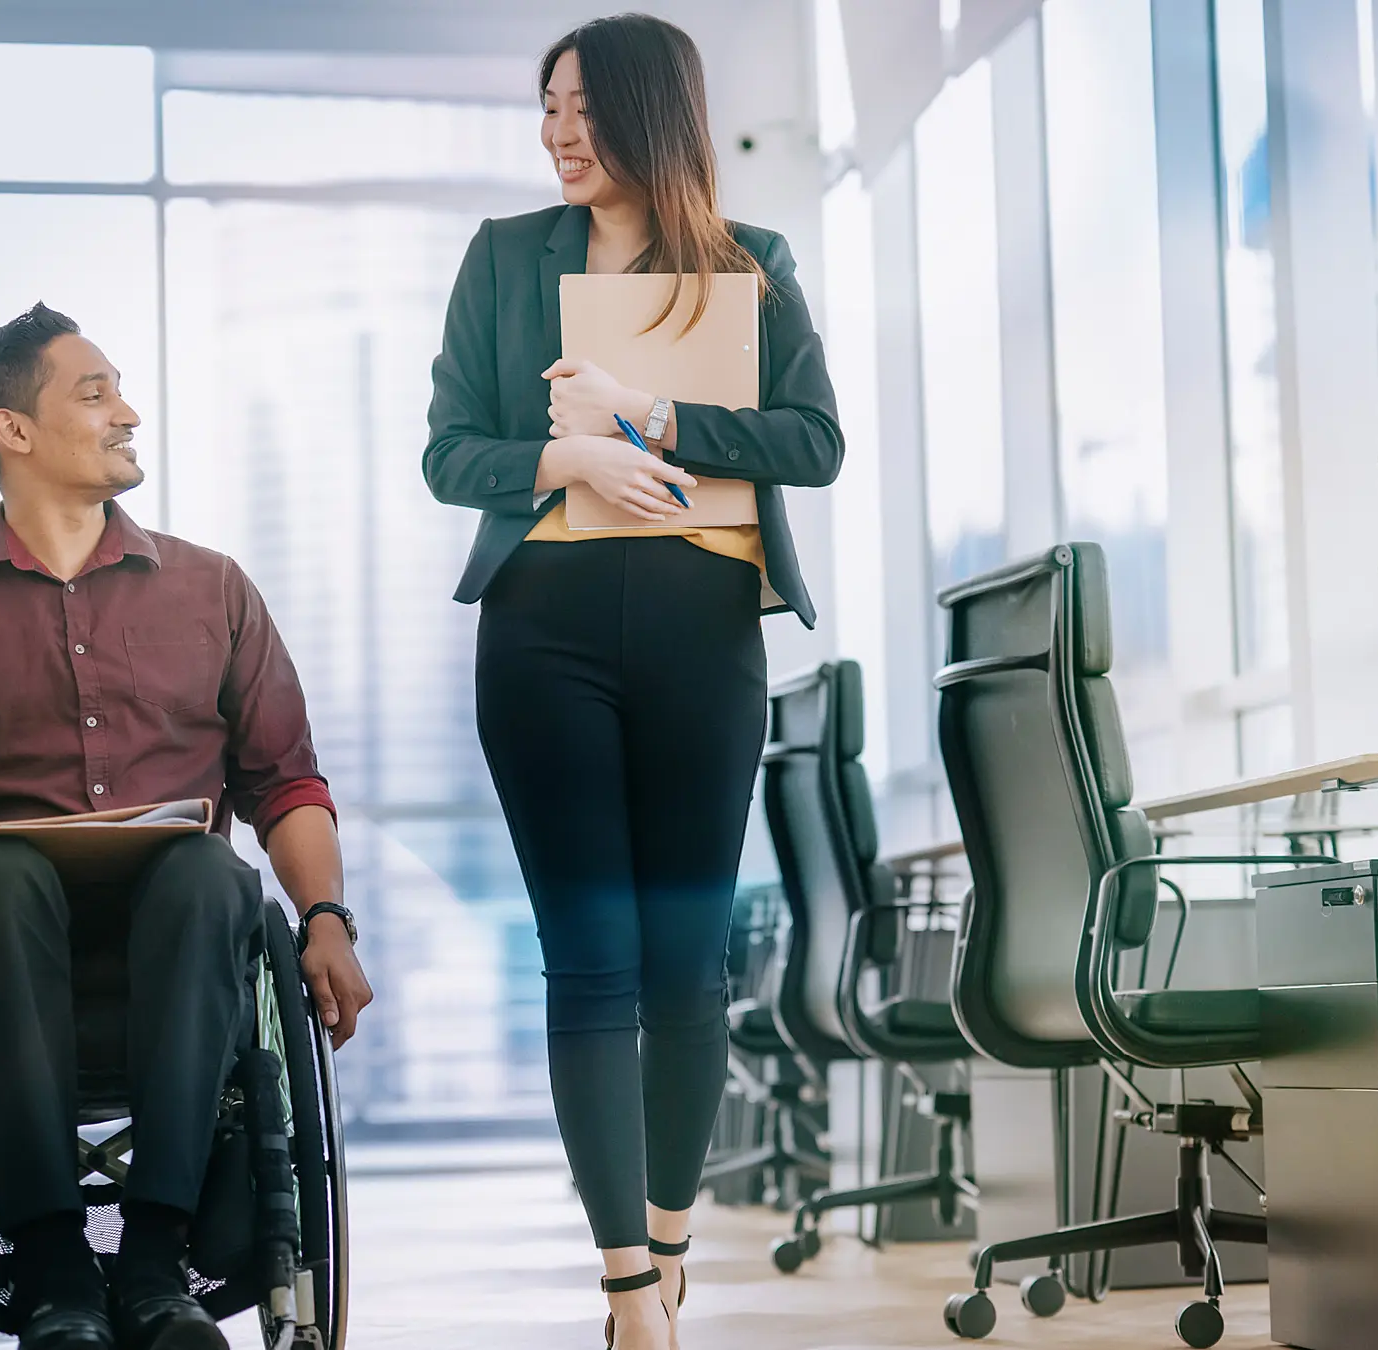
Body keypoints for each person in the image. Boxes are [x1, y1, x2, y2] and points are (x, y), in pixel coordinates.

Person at [0, 304, 374, 1350]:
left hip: (185, 946)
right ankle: (55, 1268)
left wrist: (325, 916)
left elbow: (286, 782)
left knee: (207, 872)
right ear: (13, 431)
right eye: (96, 393)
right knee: (3, 872)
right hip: (0, 953)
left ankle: (157, 1263)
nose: (129, 413)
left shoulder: (213, 589)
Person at [423, 14, 842, 1349]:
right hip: (541, 635)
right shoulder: (503, 262)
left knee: (687, 966)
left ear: (654, 116)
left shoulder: (750, 266)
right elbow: (448, 453)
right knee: (589, 962)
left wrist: (652, 419)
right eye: (547, 106)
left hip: (702, 634)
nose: (558, 132)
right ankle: (622, 1287)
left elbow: (813, 440)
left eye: (585, 109)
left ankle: (668, 1246)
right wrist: (569, 460)